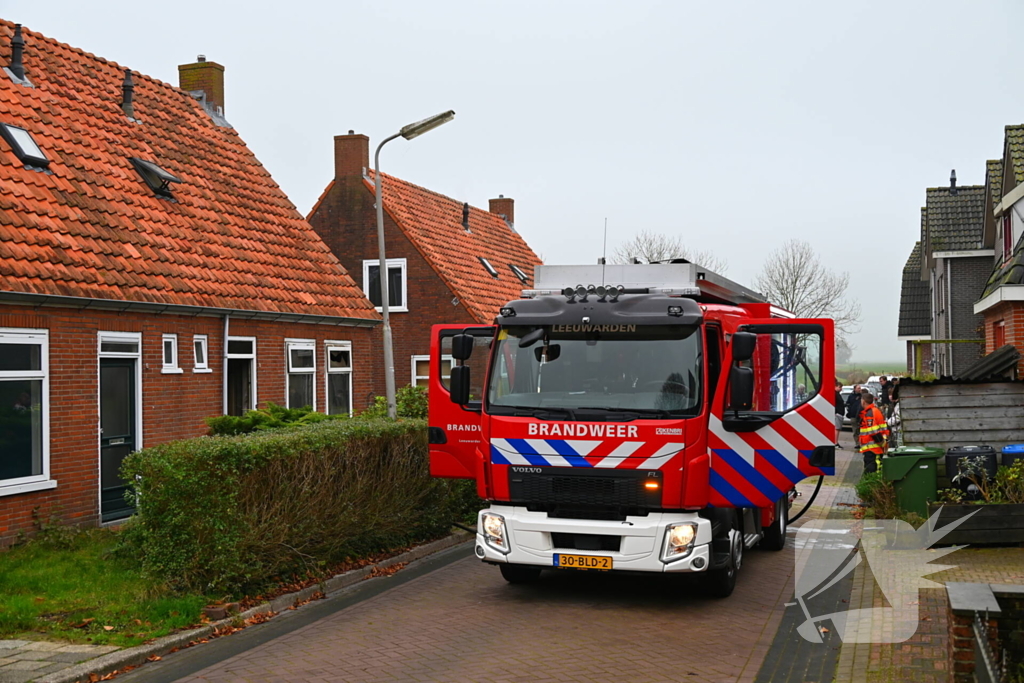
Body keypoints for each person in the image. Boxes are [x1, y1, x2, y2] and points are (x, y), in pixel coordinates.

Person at [858, 392, 889, 474]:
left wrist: (882, 444)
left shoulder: (870, 413)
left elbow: (873, 432)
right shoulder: (874, 411)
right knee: (873, 467)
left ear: (863, 401)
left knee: (873, 469)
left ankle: (874, 485)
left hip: (873, 448)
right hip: (874, 447)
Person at [833, 380, 845, 449]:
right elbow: (834, 404)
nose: (841, 389)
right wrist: (835, 412)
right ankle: (835, 443)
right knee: (837, 429)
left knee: (838, 429)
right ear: (835, 387)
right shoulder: (835, 394)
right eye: (840, 387)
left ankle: (836, 442)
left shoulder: (837, 394)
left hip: (839, 413)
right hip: (838, 414)